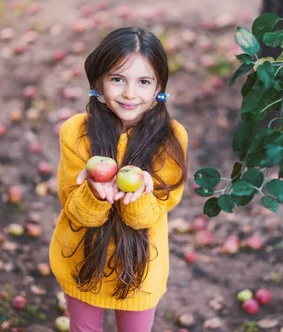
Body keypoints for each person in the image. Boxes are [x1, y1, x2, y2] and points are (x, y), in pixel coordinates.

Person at [48, 27, 188, 332]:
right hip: (82, 261)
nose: (129, 93)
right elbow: (75, 209)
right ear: (98, 82)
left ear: (158, 87)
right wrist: (94, 194)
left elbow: (150, 214)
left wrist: (139, 196)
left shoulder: (172, 139)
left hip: (140, 269)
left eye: (143, 82)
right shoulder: (77, 132)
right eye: (117, 79)